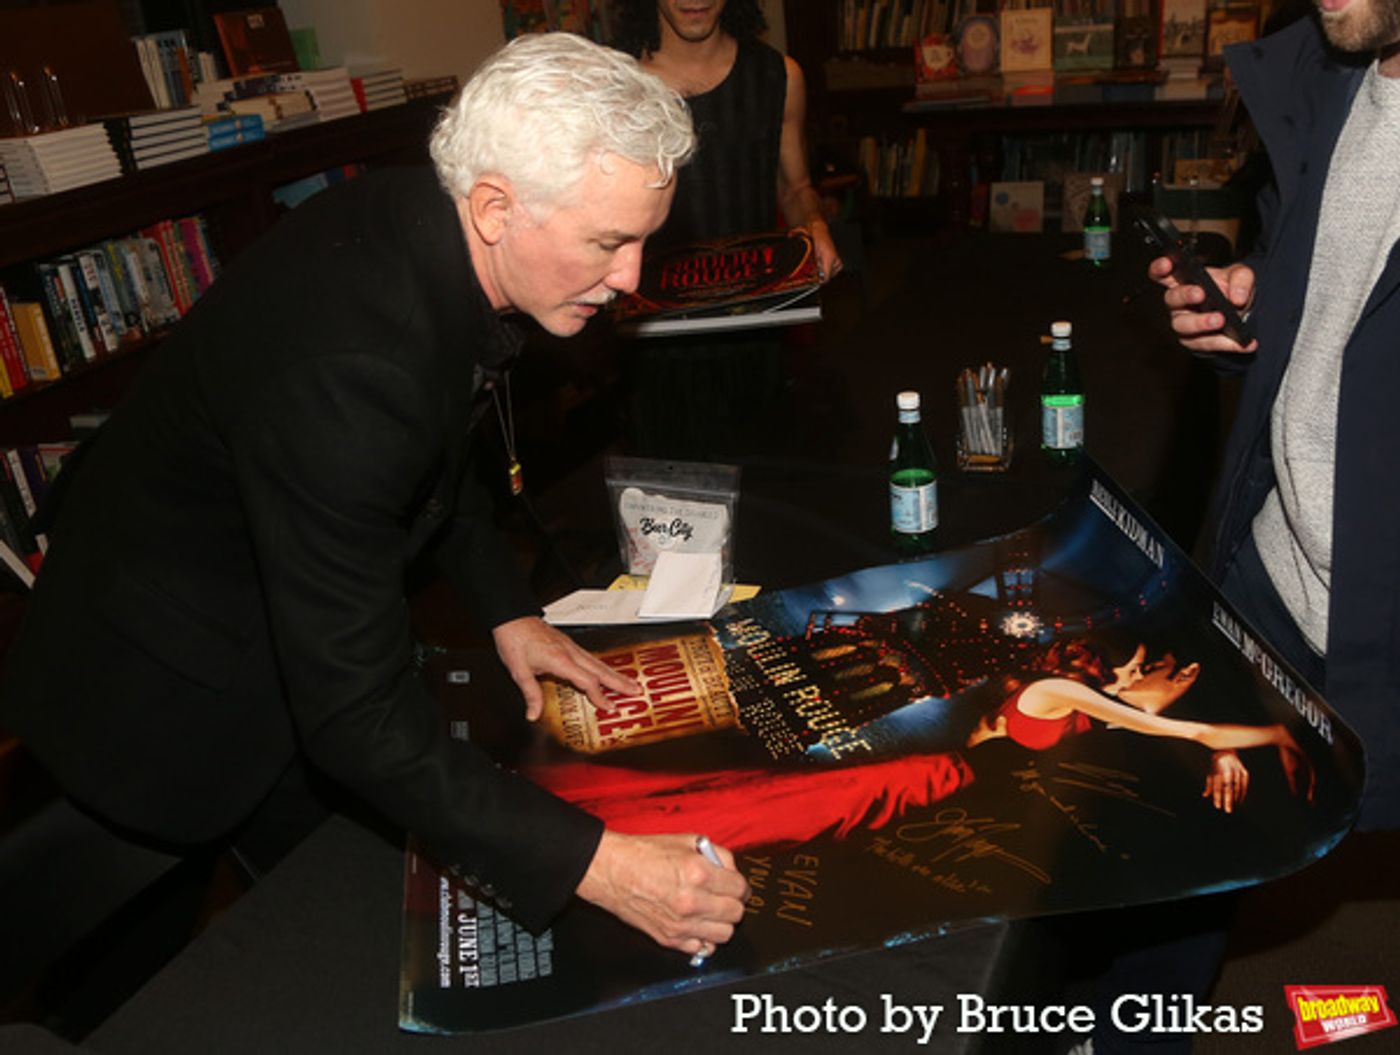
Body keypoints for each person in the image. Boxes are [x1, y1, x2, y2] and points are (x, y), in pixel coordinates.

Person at [0, 33, 748, 963]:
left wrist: (507, 610)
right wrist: (599, 865)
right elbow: (354, 715)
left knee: (347, 934)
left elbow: (435, 460)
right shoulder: (357, 368)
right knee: (120, 967)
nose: (633, 275)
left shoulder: (421, 220)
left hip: (270, 626)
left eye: (643, 238)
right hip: (150, 685)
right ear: (493, 207)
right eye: (609, 241)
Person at [1078, 7, 1400, 1051]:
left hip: (1379, 617)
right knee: (1175, 845)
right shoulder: (1340, 76)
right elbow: (1336, 315)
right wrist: (1257, 315)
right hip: (1274, 563)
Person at [525, 635, 1310, 851]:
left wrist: (1228, 747)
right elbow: (1181, 726)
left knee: (773, 818)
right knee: (766, 811)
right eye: (1146, 671)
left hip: (946, 797)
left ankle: (594, 825)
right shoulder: (1063, 697)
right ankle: (586, 832)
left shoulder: (1093, 720)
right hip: (922, 775)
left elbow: (1188, 732)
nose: (1149, 682)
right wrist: (1270, 730)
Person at [610, 0, 843, 459]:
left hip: (755, 341)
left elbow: (795, 189)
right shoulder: (613, 85)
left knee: (767, 497)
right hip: (654, 351)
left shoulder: (780, 77)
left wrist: (815, 224)